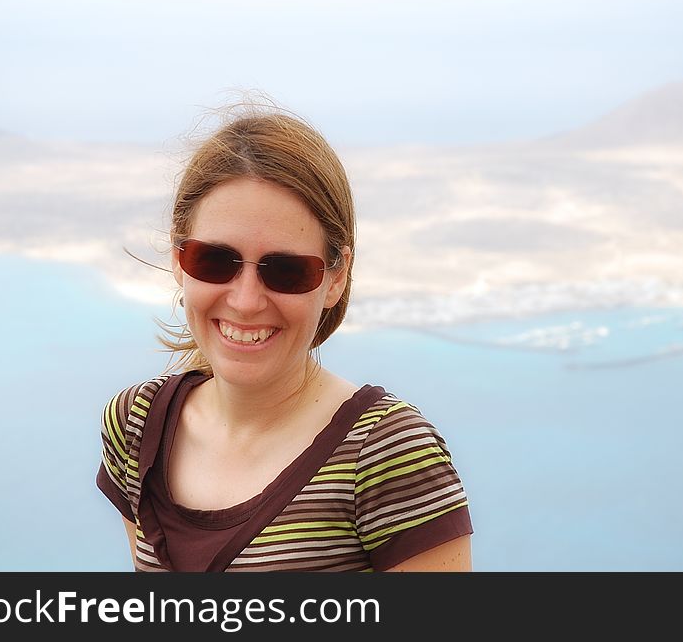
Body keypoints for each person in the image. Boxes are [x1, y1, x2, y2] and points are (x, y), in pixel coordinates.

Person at [96, 104, 473, 571]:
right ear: (179, 258)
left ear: (336, 277)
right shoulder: (136, 427)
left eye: (287, 271)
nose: (247, 300)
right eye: (215, 260)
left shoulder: (385, 455)